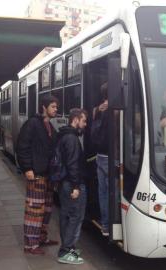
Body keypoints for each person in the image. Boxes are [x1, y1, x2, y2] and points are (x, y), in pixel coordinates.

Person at [16, 95, 59, 255]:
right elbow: (22, 146)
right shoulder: (32, 124)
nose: (56, 110)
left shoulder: (48, 125)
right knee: (34, 210)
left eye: (56, 107)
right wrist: (27, 168)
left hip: (47, 175)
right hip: (36, 174)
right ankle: (30, 245)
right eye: (53, 107)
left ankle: (41, 237)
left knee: (46, 209)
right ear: (44, 107)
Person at [57, 108, 88, 264]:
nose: (85, 124)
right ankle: (65, 251)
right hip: (72, 184)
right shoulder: (71, 138)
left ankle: (68, 247)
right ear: (75, 119)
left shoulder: (65, 135)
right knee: (75, 217)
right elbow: (72, 164)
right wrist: (76, 186)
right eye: (83, 120)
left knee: (67, 216)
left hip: (65, 183)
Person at [92, 82, 109, 236]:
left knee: (103, 192)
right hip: (111, 156)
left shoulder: (97, 109)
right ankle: (111, 224)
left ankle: (105, 225)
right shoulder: (113, 109)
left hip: (100, 155)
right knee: (111, 192)